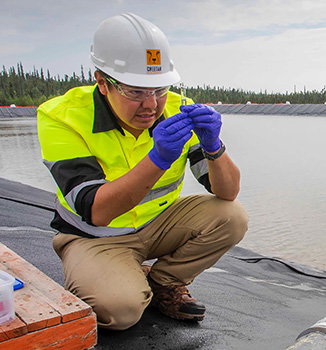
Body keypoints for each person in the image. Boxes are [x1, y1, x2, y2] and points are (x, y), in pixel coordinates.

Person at [37, 12, 248, 331]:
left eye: (159, 89)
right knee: (121, 312)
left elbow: (227, 193)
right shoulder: (62, 119)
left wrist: (214, 147)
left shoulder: (175, 108)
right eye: (136, 91)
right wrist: (158, 159)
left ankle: (165, 283)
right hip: (94, 237)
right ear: (102, 82)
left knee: (232, 216)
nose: (151, 104)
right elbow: (97, 211)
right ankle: (109, 275)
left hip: (156, 225)